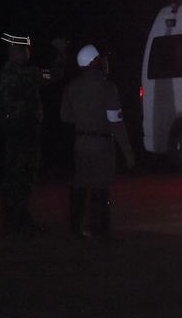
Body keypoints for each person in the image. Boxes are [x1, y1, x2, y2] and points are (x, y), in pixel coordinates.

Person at [60, 44, 135, 241]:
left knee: (80, 183)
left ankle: (75, 227)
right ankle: (100, 230)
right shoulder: (107, 86)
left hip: (80, 142)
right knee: (101, 186)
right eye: (100, 58)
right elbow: (116, 123)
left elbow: (65, 116)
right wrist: (128, 152)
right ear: (94, 62)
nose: (105, 61)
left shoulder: (72, 87)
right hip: (101, 143)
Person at [0, 32, 66, 235]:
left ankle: (13, 219)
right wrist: (61, 53)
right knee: (24, 175)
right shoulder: (26, 74)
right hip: (24, 131)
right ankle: (20, 220)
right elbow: (53, 74)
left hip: (11, 132)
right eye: (25, 50)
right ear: (15, 52)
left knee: (13, 175)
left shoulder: (3, 74)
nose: (28, 54)